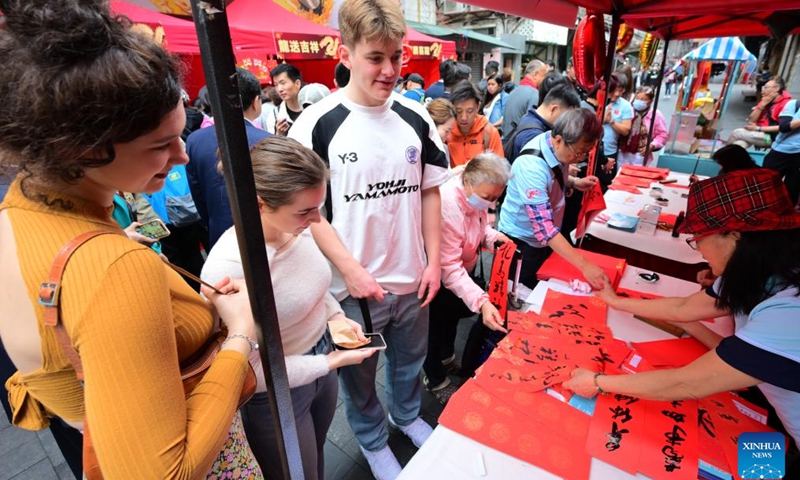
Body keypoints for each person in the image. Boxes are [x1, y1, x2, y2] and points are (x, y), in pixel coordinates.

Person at [0, 1, 262, 477]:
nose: (182, 157)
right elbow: (165, 471)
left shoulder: (20, 206)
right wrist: (240, 334)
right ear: (80, 148)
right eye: (160, 145)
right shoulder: (115, 268)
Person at [288, 0, 450, 477]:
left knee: (410, 361)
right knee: (358, 377)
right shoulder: (316, 124)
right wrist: (352, 270)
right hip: (351, 290)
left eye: (397, 57)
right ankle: (374, 441)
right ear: (347, 54)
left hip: (413, 279)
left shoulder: (416, 117)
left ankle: (407, 416)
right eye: (375, 58)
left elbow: (431, 192)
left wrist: (435, 261)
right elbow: (305, 212)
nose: (389, 70)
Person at [564, 168, 800, 469]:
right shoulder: (755, 270)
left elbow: (686, 383)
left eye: (699, 238)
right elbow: (684, 309)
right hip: (775, 413)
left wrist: (597, 382)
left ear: (735, 238)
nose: (698, 249)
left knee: (749, 469)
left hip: (787, 429)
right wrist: (615, 302)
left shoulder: (789, 313)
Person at [202, 137, 375, 480]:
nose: (315, 220)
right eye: (305, 211)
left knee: (316, 457)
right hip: (276, 390)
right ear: (260, 204)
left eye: (318, 208)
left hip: (320, 363)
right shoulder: (231, 266)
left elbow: (314, 285)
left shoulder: (297, 227)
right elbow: (246, 367)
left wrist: (336, 317)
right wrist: (329, 361)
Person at [423, 153, 512, 404]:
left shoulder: (476, 200)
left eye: (496, 198)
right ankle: (434, 377)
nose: (491, 205)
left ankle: (446, 357)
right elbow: (448, 266)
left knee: (450, 321)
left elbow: (479, 228)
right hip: (440, 278)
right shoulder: (446, 206)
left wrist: (494, 238)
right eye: (487, 197)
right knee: (434, 328)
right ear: (467, 181)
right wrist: (482, 302)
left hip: (463, 271)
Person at [496, 109, 608, 290]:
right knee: (513, 297)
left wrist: (573, 182)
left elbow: (551, 177)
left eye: (586, 153)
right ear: (558, 141)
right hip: (522, 242)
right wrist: (584, 265)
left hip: (542, 239)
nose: (580, 158)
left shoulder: (555, 145)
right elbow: (545, 229)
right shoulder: (531, 166)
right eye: (579, 153)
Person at [186, 68, 271, 250]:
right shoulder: (269, 141)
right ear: (256, 102)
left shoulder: (195, 140)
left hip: (219, 234)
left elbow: (198, 194)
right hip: (267, 235)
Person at [506, 84, 581, 162]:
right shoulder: (534, 134)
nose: (567, 122)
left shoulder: (529, 117)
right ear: (554, 109)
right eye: (567, 117)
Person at [447, 81, 504, 168]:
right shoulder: (447, 132)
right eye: (458, 111)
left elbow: (499, 171)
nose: (464, 117)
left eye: (469, 111)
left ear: (478, 107)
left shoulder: (489, 133)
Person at [727, 77, 791, 150]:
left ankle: (720, 157)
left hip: (771, 137)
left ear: (776, 88)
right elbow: (751, 120)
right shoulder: (766, 100)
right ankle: (728, 159)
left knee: (736, 133)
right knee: (739, 144)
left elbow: (783, 127)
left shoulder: (786, 104)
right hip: (757, 132)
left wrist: (758, 128)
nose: (762, 90)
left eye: (766, 87)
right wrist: (762, 105)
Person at [617, 86, 668, 167]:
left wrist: (652, 145)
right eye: (637, 98)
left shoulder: (656, 115)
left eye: (643, 99)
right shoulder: (627, 110)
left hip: (640, 155)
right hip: (622, 152)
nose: (639, 101)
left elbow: (662, 135)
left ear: (650, 101)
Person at [763, 98, 800, 205]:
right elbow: (784, 127)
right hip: (781, 151)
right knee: (765, 184)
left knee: (792, 190)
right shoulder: (794, 104)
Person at [504, 59, 548, 135]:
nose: (545, 79)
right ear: (535, 74)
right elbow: (530, 125)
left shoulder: (513, 91)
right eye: (544, 75)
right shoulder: (534, 94)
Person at [602, 73, 633, 175]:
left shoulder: (625, 106)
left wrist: (611, 121)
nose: (617, 93)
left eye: (620, 90)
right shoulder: (599, 100)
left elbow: (626, 130)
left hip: (610, 151)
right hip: (592, 151)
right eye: (615, 90)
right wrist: (603, 120)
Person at [265, 63, 305, 136]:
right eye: (276, 85)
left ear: (297, 84)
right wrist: (279, 134)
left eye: (283, 83)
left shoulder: (312, 108)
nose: (279, 89)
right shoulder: (274, 115)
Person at [426, 98, 457, 165]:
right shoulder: (418, 148)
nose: (449, 137)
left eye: (451, 131)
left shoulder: (444, 149)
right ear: (433, 125)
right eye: (447, 131)